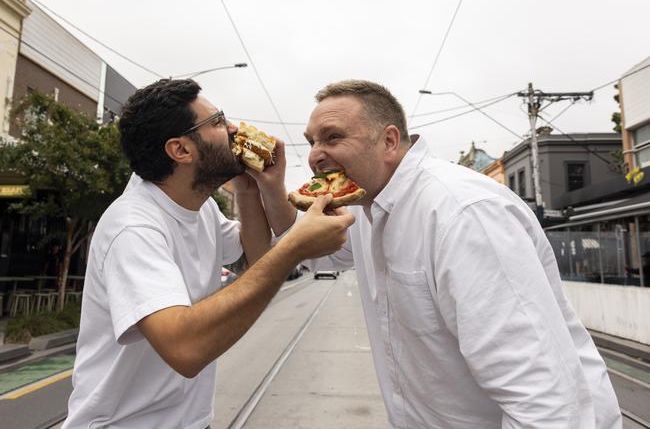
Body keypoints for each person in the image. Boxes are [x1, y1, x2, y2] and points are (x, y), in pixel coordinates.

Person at [262, 80, 622, 428]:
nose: (314, 155)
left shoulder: (462, 213)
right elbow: (305, 250)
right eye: (311, 142)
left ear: (388, 141)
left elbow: (543, 398)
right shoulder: (365, 209)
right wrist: (266, 185)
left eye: (333, 137)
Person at [63, 79, 354, 429]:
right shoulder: (134, 228)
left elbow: (257, 255)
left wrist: (256, 187)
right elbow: (185, 349)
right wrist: (294, 247)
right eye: (217, 122)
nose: (233, 129)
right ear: (181, 150)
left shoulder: (198, 207)